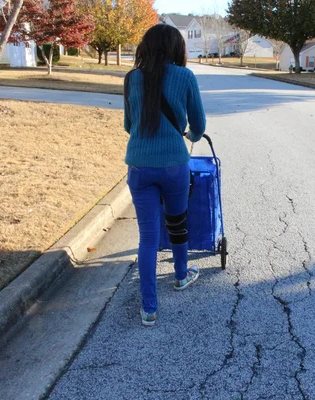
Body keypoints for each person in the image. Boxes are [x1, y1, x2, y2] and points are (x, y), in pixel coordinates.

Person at [123, 24, 207, 326]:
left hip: (139, 166)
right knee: (177, 222)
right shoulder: (185, 76)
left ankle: (149, 309)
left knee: (147, 237)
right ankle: (182, 276)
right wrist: (191, 135)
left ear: (145, 47)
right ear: (176, 48)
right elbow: (199, 123)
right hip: (174, 164)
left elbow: (128, 125)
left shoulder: (132, 78)